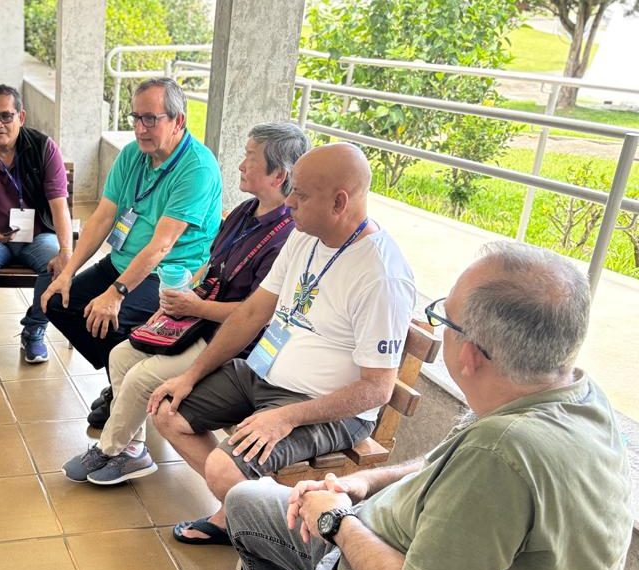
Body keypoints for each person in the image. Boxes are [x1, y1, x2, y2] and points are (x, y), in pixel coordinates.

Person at [147, 242, 633, 570]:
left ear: (471, 355)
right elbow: (438, 463)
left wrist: (336, 523)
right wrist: (361, 485)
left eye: (445, 317)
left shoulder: (502, 454)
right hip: (373, 544)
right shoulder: (572, 397)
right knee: (248, 497)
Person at [147, 143, 415, 546]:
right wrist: (191, 375)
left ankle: (263, 538)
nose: (288, 202)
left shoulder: (381, 276)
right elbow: (252, 313)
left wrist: (287, 417)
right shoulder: (305, 235)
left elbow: (377, 388)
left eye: (301, 195)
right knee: (167, 409)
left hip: (323, 406)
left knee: (224, 469)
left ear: (340, 201)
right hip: (262, 373)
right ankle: (242, 514)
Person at [63, 123, 308, 485]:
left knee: (140, 378)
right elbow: (212, 266)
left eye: (250, 158)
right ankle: (133, 450)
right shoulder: (245, 212)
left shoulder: (287, 237)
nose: (240, 165)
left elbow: (257, 315)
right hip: (201, 321)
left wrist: (193, 307)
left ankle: (110, 448)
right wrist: (180, 300)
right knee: (121, 355)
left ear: (279, 174)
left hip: (234, 343)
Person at [40, 77, 221, 422]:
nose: (140, 129)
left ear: (178, 120)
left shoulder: (196, 168)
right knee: (54, 300)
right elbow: (103, 216)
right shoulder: (132, 155)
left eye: (150, 119)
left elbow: (161, 245)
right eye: (135, 118)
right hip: (123, 261)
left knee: (115, 317)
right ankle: (119, 380)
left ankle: (124, 394)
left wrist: (116, 292)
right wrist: (68, 272)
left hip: (170, 275)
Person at [0, 84, 74, 367]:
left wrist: (66, 250)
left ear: (21, 116)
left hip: (38, 235)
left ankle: (34, 329)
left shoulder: (44, 149)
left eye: (6, 116)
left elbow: (59, 206)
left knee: (57, 257)